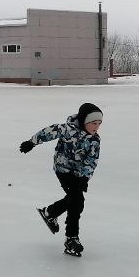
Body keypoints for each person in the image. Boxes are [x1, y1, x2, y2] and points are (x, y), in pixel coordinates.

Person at [19, 102, 103, 257]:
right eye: (93, 123)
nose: (96, 127)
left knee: (74, 199)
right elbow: (48, 132)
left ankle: (50, 212)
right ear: (84, 121)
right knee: (77, 201)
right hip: (63, 170)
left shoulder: (95, 140)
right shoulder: (68, 129)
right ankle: (71, 238)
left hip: (78, 175)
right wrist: (32, 142)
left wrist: (84, 178)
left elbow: (92, 160)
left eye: (99, 123)